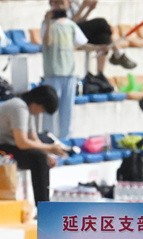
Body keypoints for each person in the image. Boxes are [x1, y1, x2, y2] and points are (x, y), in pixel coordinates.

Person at [0, 84, 67, 205]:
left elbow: (33, 138)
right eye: (42, 109)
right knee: (38, 159)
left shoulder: (27, 110)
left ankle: (44, 204)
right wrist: (49, 148)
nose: (40, 113)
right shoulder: (18, 108)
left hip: (4, 146)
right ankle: (44, 206)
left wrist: (47, 154)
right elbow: (22, 142)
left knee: (41, 158)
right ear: (38, 102)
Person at [41, 0, 87, 139]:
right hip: (53, 74)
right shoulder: (46, 25)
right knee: (51, 111)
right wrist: (48, 22)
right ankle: (49, 139)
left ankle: (65, 140)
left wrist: (99, 48)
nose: (59, 6)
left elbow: (82, 44)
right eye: (56, 3)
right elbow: (47, 42)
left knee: (67, 112)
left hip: (69, 74)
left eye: (62, 3)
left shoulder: (71, 25)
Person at [67, 0, 136, 76]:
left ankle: (100, 74)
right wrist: (83, 7)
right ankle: (117, 54)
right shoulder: (61, 4)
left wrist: (90, 9)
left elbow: (81, 20)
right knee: (102, 22)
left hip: (79, 32)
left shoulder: (74, 2)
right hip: (69, 33)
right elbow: (70, 24)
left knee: (103, 37)